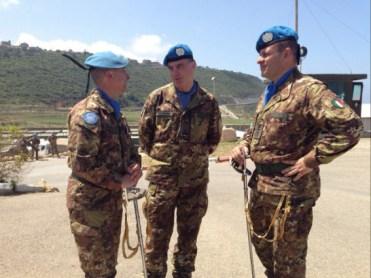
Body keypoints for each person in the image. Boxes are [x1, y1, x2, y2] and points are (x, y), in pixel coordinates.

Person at [231, 26, 363, 278]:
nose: (259, 59)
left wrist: (313, 159)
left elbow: (350, 127)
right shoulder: (269, 93)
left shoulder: (309, 90)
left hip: (291, 194)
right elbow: (255, 131)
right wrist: (244, 146)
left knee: (288, 265)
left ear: (287, 53)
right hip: (261, 187)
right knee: (266, 254)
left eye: (265, 53)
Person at [139, 44, 222, 278]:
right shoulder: (157, 98)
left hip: (194, 184)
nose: (176, 72)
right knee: (156, 239)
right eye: (172, 68)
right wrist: (165, 160)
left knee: (188, 240)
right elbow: (145, 137)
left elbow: (213, 138)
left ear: (193, 66)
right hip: (162, 183)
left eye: (181, 66)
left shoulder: (208, 102)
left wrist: (191, 159)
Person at [66, 51, 142, 278]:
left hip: (108, 202)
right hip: (92, 206)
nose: (127, 77)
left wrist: (133, 165)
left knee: (107, 266)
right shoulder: (88, 114)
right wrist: (119, 181)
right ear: (110, 75)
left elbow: (127, 150)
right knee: (97, 269)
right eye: (123, 72)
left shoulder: (113, 112)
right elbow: (83, 164)